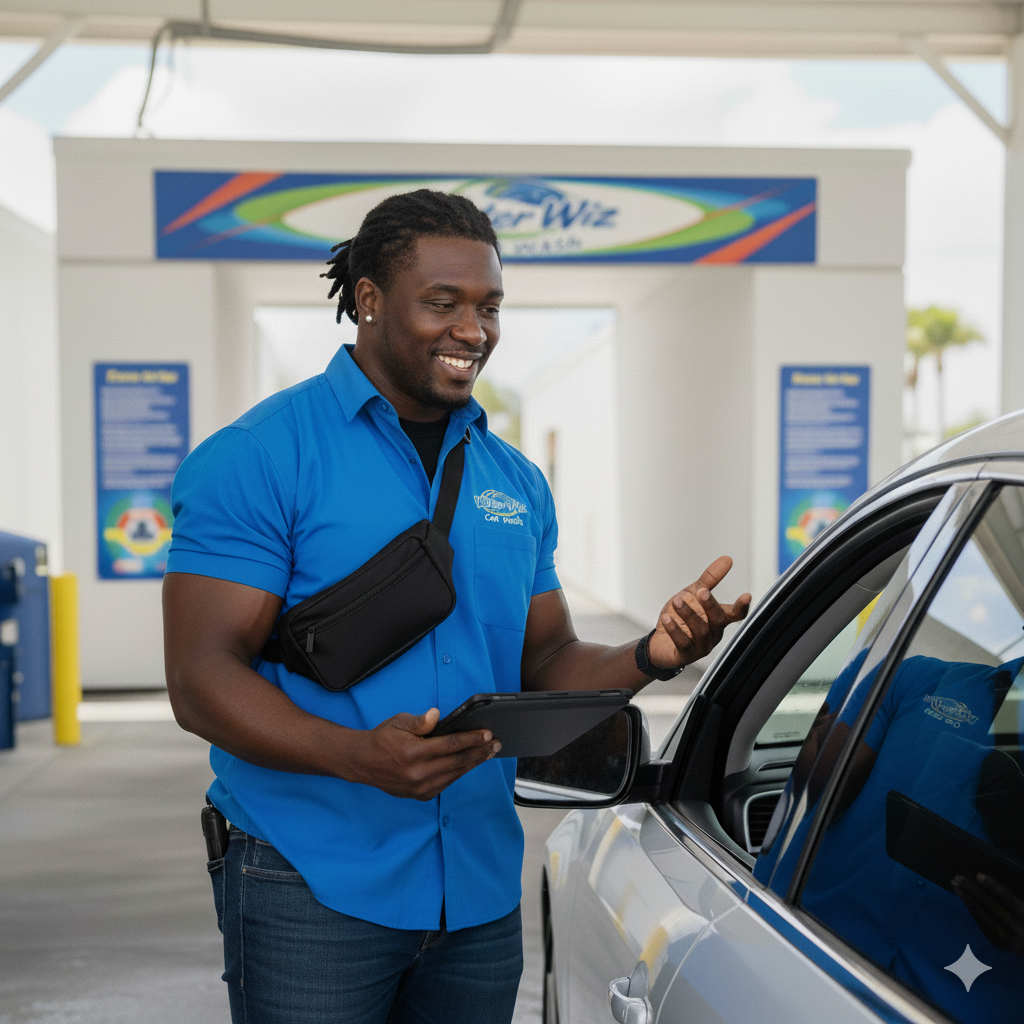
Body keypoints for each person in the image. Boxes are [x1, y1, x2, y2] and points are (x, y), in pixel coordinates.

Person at [162, 189, 751, 1024]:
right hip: (308, 882)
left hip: (475, 892)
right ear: (367, 300)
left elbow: (546, 662)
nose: (473, 329)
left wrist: (652, 655)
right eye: (443, 303)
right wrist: (358, 755)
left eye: (489, 306)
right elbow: (199, 675)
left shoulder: (515, 480)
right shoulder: (258, 458)